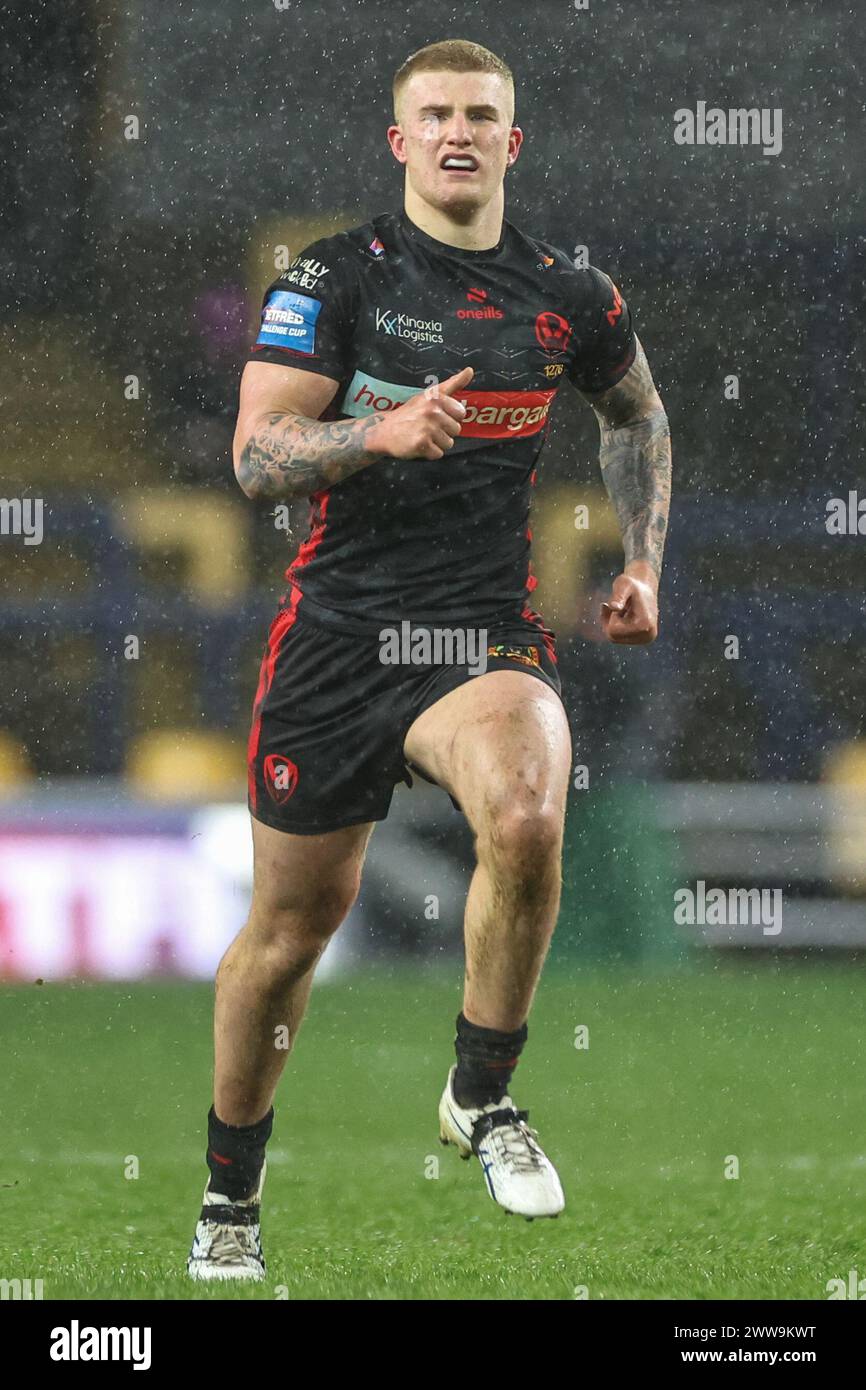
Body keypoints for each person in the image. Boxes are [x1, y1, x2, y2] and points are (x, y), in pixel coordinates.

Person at [188, 38, 671, 1281]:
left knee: (524, 810)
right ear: (399, 142)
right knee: (288, 938)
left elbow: (636, 411)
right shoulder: (334, 276)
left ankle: (483, 1093)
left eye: (482, 115)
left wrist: (643, 559)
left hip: (480, 632)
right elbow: (253, 458)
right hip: (338, 641)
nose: (458, 132)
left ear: (514, 142)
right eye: (434, 115)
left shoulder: (567, 292)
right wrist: (377, 429)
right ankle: (228, 1198)